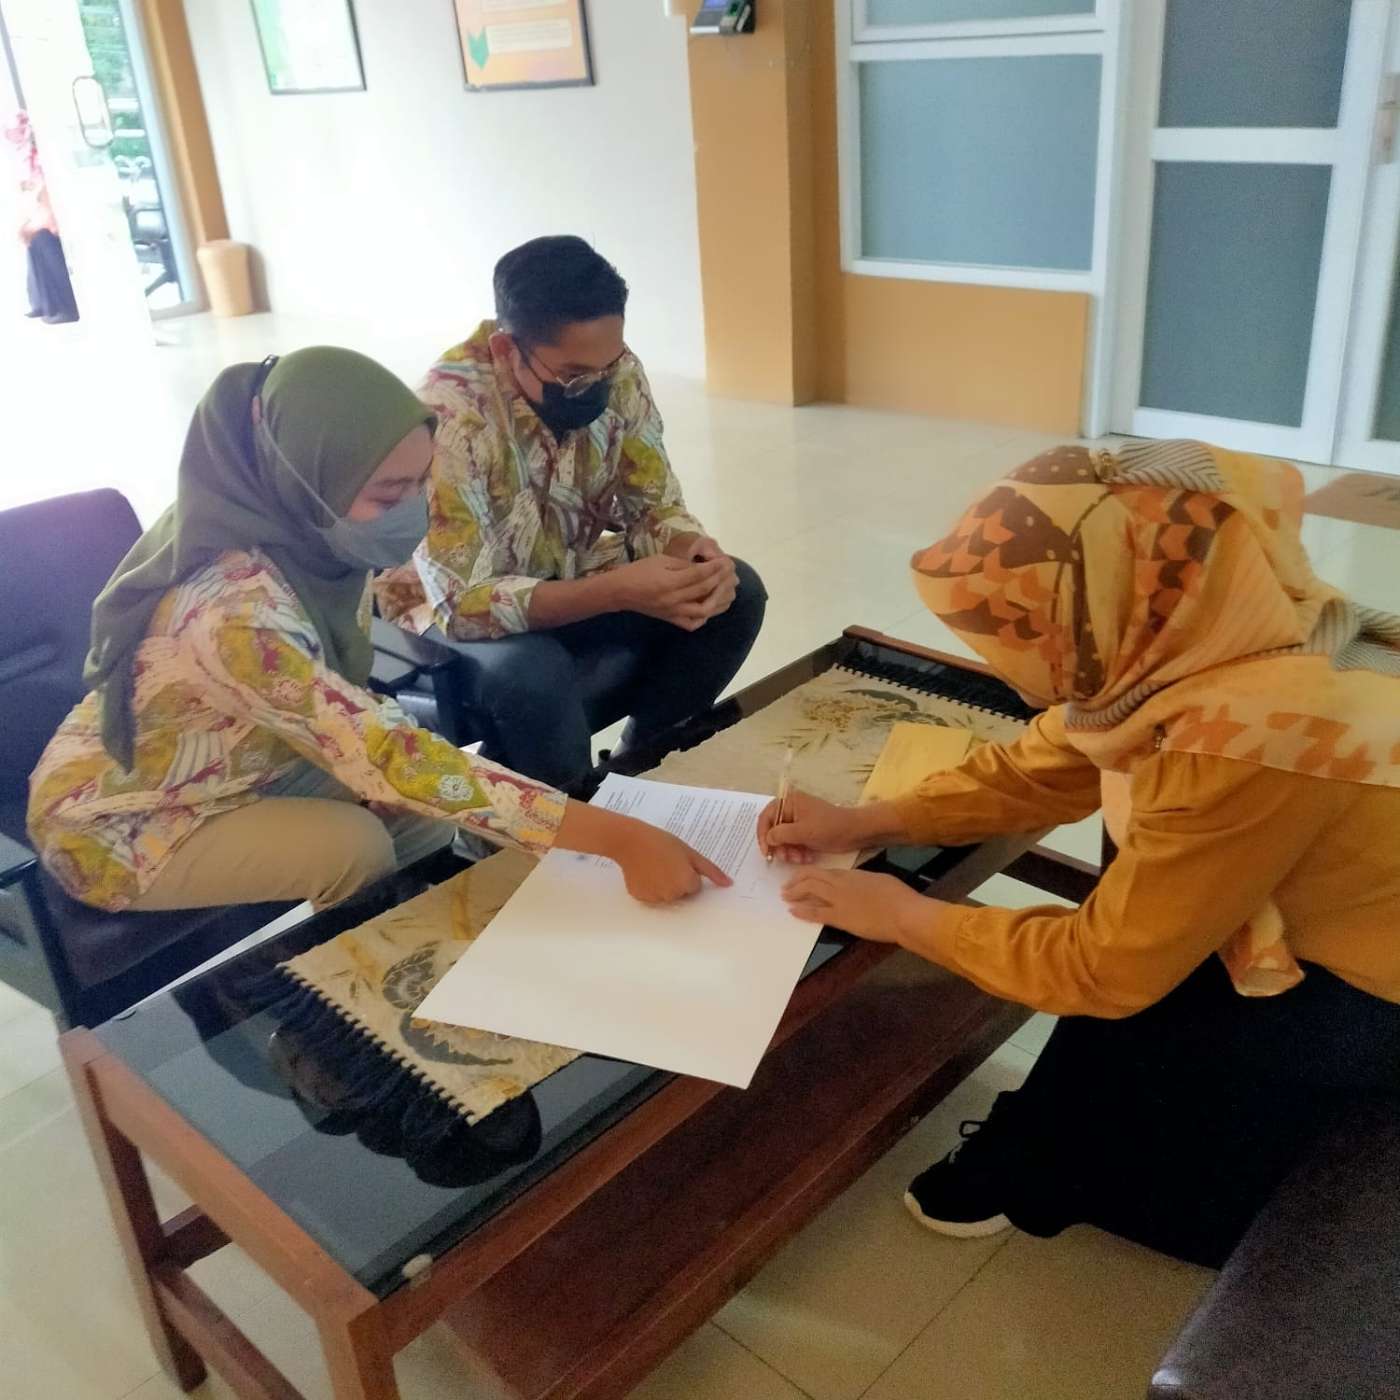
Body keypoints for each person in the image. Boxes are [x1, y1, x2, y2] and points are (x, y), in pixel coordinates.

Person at [758, 439, 1400, 1268]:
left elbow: (1104, 969)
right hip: (1335, 897)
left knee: (1126, 1015)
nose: (1022, 679)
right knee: (1123, 980)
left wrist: (906, 916)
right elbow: (1043, 766)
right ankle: (1039, 1151)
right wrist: (866, 823)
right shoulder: (1210, 616)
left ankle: (1066, 1179)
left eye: (1031, 644)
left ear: (1100, 620)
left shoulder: (1248, 735)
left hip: (1372, 988)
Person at [27, 348, 730, 915]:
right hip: (123, 820)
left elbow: (361, 732)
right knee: (353, 846)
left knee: (422, 820)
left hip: (253, 754)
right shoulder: (236, 614)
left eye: (420, 483)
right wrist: (613, 837)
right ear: (305, 479)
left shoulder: (302, 534)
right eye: (389, 495)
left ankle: (428, 947)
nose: (414, 512)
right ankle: (337, 997)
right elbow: (388, 754)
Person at [376, 235, 766, 793]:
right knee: (534, 673)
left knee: (735, 594)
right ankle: (564, 815)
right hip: (446, 611)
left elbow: (652, 503)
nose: (599, 386)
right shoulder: (450, 417)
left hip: (561, 567)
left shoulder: (613, 370)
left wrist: (694, 553)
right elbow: (462, 604)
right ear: (507, 350)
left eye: (609, 365)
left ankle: (640, 771)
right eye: (574, 375)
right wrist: (616, 592)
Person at [5, 110, 78, 324]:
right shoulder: (25, 158)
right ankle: (43, 304)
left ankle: (67, 306)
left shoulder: (46, 159)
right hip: (49, 216)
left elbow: (50, 202)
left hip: (61, 220)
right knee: (32, 239)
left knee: (40, 239)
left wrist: (32, 226)